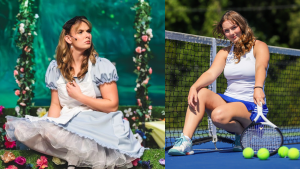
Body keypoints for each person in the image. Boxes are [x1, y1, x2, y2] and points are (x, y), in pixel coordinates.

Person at [5, 16, 144, 169]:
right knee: (23, 129)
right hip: (67, 119)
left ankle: (80, 153)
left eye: (88, 31)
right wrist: (48, 128)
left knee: (84, 138)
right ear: (69, 38)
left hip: (95, 121)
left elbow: (112, 106)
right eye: (81, 31)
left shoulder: (101, 66)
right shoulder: (55, 68)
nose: (87, 35)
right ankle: (66, 150)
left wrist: (80, 97)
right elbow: (55, 105)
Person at [168, 10, 270, 155]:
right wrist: (194, 86)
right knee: (201, 92)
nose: (231, 33)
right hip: (228, 102)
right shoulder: (224, 53)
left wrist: (258, 87)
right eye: (227, 30)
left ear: (242, 25)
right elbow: (211, 73)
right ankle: (185, 141)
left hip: (251, 107)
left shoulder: (259, 46)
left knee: (218, 115)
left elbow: (261, 66)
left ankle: (245, 133)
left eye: (234, 27)